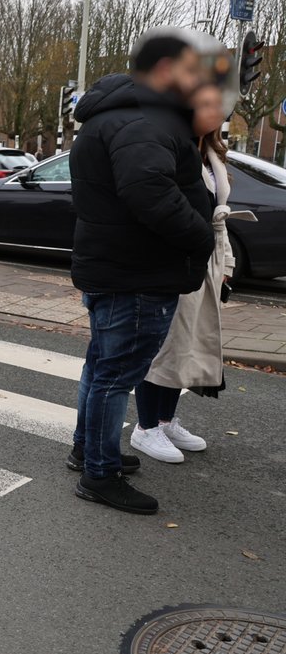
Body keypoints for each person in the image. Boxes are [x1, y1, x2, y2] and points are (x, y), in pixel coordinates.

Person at [68, 30, 214, 515]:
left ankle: (87, 452)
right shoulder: (143, 119)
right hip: (137, 271)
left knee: (100, 366)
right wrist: (201, 234)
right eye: (192, 71)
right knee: (115, 375)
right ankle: (100, 474)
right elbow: (148, 190)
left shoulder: (109, 114)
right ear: (167, 71)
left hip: (113, 264)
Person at [131, 83, 234, 463]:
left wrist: (227, 267)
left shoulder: (211, 152)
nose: (217, 114)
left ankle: (166, 418)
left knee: (187, 346)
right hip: (175, 259)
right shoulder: (171, 146)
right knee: (162, 346)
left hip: (205, 260)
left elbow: (219, 214)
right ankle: (146, 428)